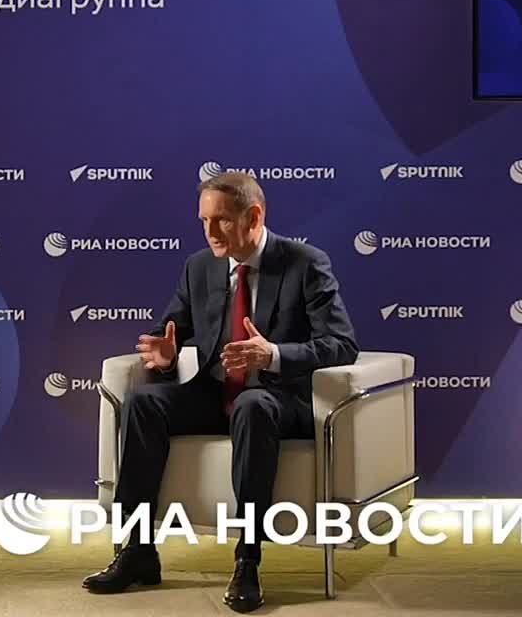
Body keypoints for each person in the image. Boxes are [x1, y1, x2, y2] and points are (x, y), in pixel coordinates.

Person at [81, 172, 358, 613]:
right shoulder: (200, 267)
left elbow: (341, 344)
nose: (210, 231)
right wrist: (166, 356)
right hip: (214, 392)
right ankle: (137, 550)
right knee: (144, 402)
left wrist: (273, 355)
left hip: (278, 399)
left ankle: (248, 560)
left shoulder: (305, 264)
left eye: (222, 220)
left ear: (254, 216)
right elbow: (171, 330)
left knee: (252, 404)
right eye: (204, 221)